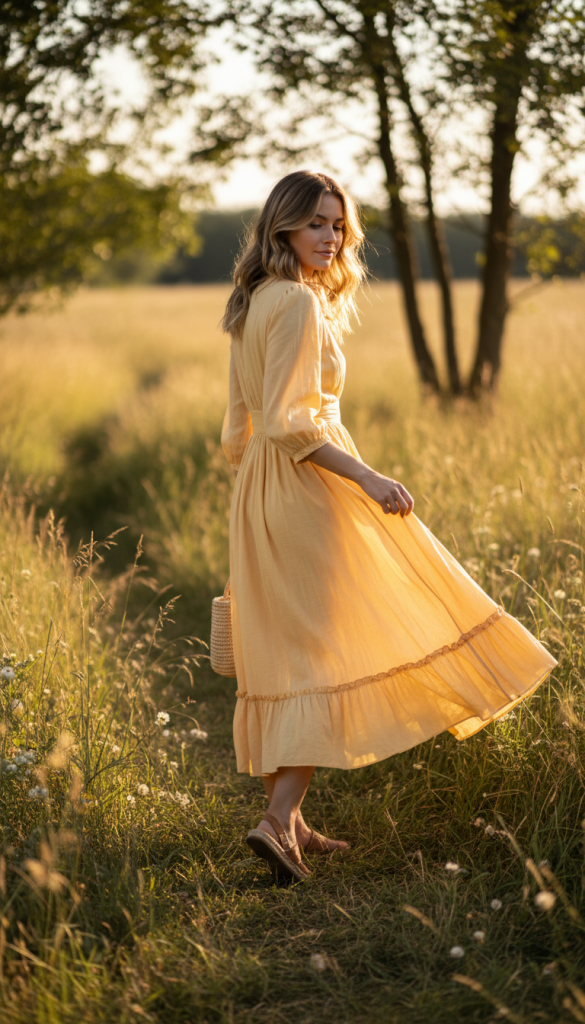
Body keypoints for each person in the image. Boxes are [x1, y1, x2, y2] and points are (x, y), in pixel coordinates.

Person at [220, 169, 556, 883]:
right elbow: (291, 424)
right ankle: (277, 822)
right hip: (306, 486)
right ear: (282, 227)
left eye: (337, 225)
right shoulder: (302, 307)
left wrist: (256, 494)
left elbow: (238, 430)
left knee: (284, 650)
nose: (329, 237)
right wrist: (366, 477)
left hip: (259, 491)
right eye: (315, 223)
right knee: (318, 652)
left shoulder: (252, 301)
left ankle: (297, 824)